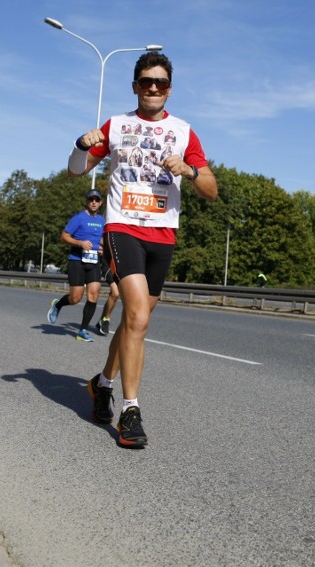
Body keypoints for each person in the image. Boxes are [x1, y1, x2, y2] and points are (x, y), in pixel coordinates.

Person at [67, 52, 218, 448]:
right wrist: (81, 144)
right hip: (123, 228)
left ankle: (102, 384)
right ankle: (130, 411)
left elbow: (211, 191)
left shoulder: (184, 132)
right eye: (146, 82)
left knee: (136, 321)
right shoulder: (117, 125)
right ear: (135, 86)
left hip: (163, 234)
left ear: (170, 88)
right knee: (135, 317)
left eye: (161, 83)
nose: (153, 88)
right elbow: (75, 169)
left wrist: (191, 170)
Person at [46, 189, 105, 342]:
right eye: (91, 199)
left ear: (100, 203)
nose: (93, 202)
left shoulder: (102, 220)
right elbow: (64, 236)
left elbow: (100, 239)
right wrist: (79, 243)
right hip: (77, 260)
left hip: (93, 262)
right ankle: (58, 304)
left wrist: (102, 247)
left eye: (96, 200)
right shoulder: (79, 218)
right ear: (87, 201)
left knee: (94, 294)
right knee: (75, 298)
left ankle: (82, 330)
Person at [95, 252, 120, 336]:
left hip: (121, 264)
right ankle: (106, 319)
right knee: (115, 293)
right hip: (108, 264)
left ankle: (102, 320)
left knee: (114, 295)